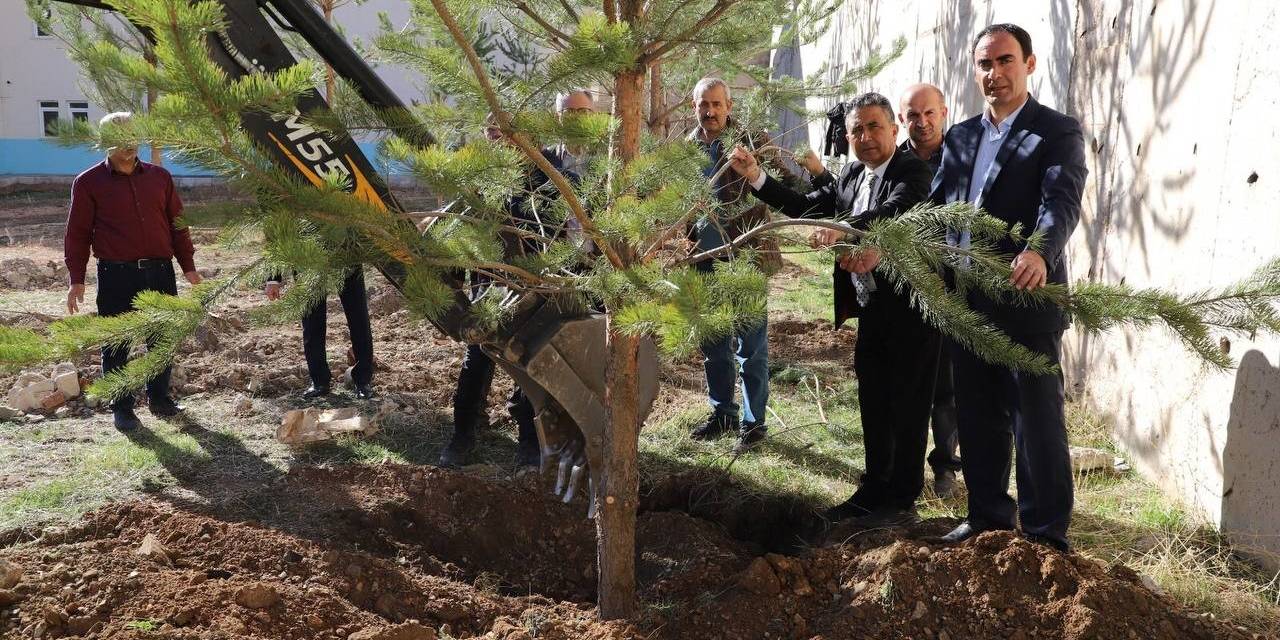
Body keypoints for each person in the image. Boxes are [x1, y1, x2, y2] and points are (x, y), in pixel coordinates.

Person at [728, 92, 938, 527]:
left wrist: (842, 230)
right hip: (872, 310)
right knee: (874, 400)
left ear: (894, 130)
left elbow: (892, 213)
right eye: (857, 130)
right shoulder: (850, 177)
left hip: (913, 312)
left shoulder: (912, 171)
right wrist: (757, 178)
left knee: (909, 407)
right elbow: (807, 206)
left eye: (874, 127)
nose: (865, 137)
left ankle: (901, 501)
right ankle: (874, 488)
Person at [932, 24, 1087, 552]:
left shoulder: (1056, 132)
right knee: (976, 415)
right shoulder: (961, 137)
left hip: (1025, 299)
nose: (993, 74)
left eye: (1004, 61)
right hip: (965, 301)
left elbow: (1061, 201)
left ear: (1030, 63)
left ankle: (1045, 534)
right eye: (984, 65)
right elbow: (935, 210)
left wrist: (1040, 251)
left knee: (1035, 418)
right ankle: (987, 517)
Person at [440, 95, 594, 468]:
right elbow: (455, 232)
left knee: (530, 359)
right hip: (489, 283)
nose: (497, 137)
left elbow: (575, 237)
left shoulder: (553, 177)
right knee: (477, 357)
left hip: (538, 288)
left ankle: (529, 440)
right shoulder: (478, 179)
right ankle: (463, 436)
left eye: (504, 130)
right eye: (491, 130)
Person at [64, 111, 202, 432]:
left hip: (160, 272)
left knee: (162, 340)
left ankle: (160, 400)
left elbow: (177, 226)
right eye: (119, 139)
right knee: (117, 343)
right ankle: (123, 408)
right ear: (104, 143)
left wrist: (189, 267)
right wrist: (76, 279)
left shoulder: (160, 178)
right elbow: (77, 234)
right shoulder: (88, 183)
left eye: (132, 137)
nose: (128, 145)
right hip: (116, 275)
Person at [686, 77, 801, 453]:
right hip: (703, 260)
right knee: (713, 344)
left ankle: (754, 425)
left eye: (718, 104)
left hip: (746, 257)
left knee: (750, 347)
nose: (711, 111)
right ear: (695, 107)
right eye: (704, 104)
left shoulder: (751, 140)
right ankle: (723, 414)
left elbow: (784, 182)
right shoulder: (686, 151)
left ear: (730, 107)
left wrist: (755, 172)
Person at [898, 83, 963, 497]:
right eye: (912, 116)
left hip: (951, 282)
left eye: (929, 114)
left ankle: (945, 468)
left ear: (943, 112)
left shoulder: (962, 156)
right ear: (901, 119)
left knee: (945, 385)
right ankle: (901, 469)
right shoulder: (894, 158)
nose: (921, 123)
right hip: (901, 285)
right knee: (905, 383)